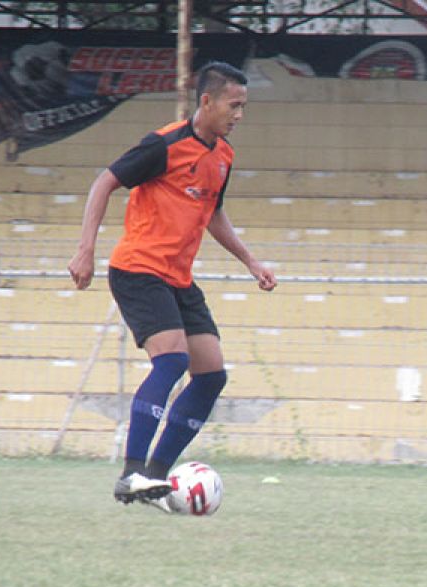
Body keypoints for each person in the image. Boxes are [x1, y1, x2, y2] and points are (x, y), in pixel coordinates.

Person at [67, 60, 276, 507]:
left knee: (211, 375)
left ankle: (155, 479)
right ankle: (131, 473)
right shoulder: (165, 145)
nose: (239, 115)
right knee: (172, 362)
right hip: (139, 269)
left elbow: (214, 213)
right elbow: (104, 182)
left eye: (243, 106)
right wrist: (85, 249)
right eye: (233, 105)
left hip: (178, 278)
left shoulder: (223, 156)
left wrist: (250, 261)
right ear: (207, 101)